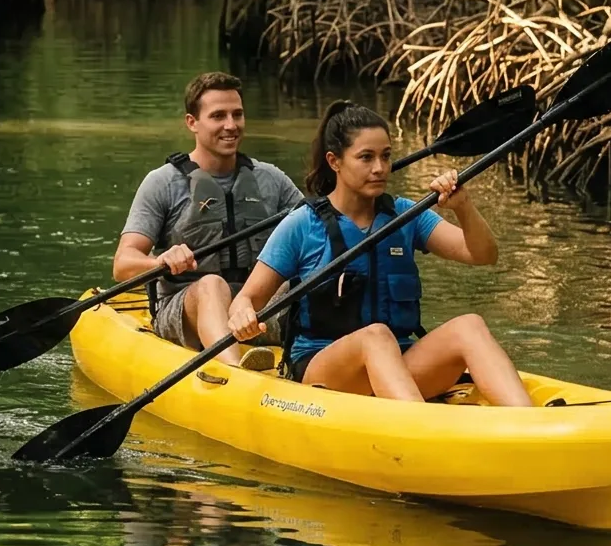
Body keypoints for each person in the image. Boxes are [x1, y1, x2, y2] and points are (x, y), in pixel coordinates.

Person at [226, 100, 534, 406]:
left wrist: (463, 207)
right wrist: (242, 315)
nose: (380, 168)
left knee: (469, 325)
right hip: (326, 372)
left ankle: (528, 423)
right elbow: (248, 299)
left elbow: (482, 255)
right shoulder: (303, 224)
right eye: (366, 158)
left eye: (386, 157)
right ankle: (423, 431)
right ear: (335, 161)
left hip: (398, 365)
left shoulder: (404, 214)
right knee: (375, 336)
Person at [115, 72, 304, 369]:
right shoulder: (162, 183)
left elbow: (316, 233)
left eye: (237, 115)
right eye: (218, 116)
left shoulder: (272, 180)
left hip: (256, 308)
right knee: (211, 285)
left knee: (310, 280)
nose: (231, 125)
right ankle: (233, 371)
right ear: (192, 122)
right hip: (185, 309)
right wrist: (160, 262)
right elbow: (123, 265)